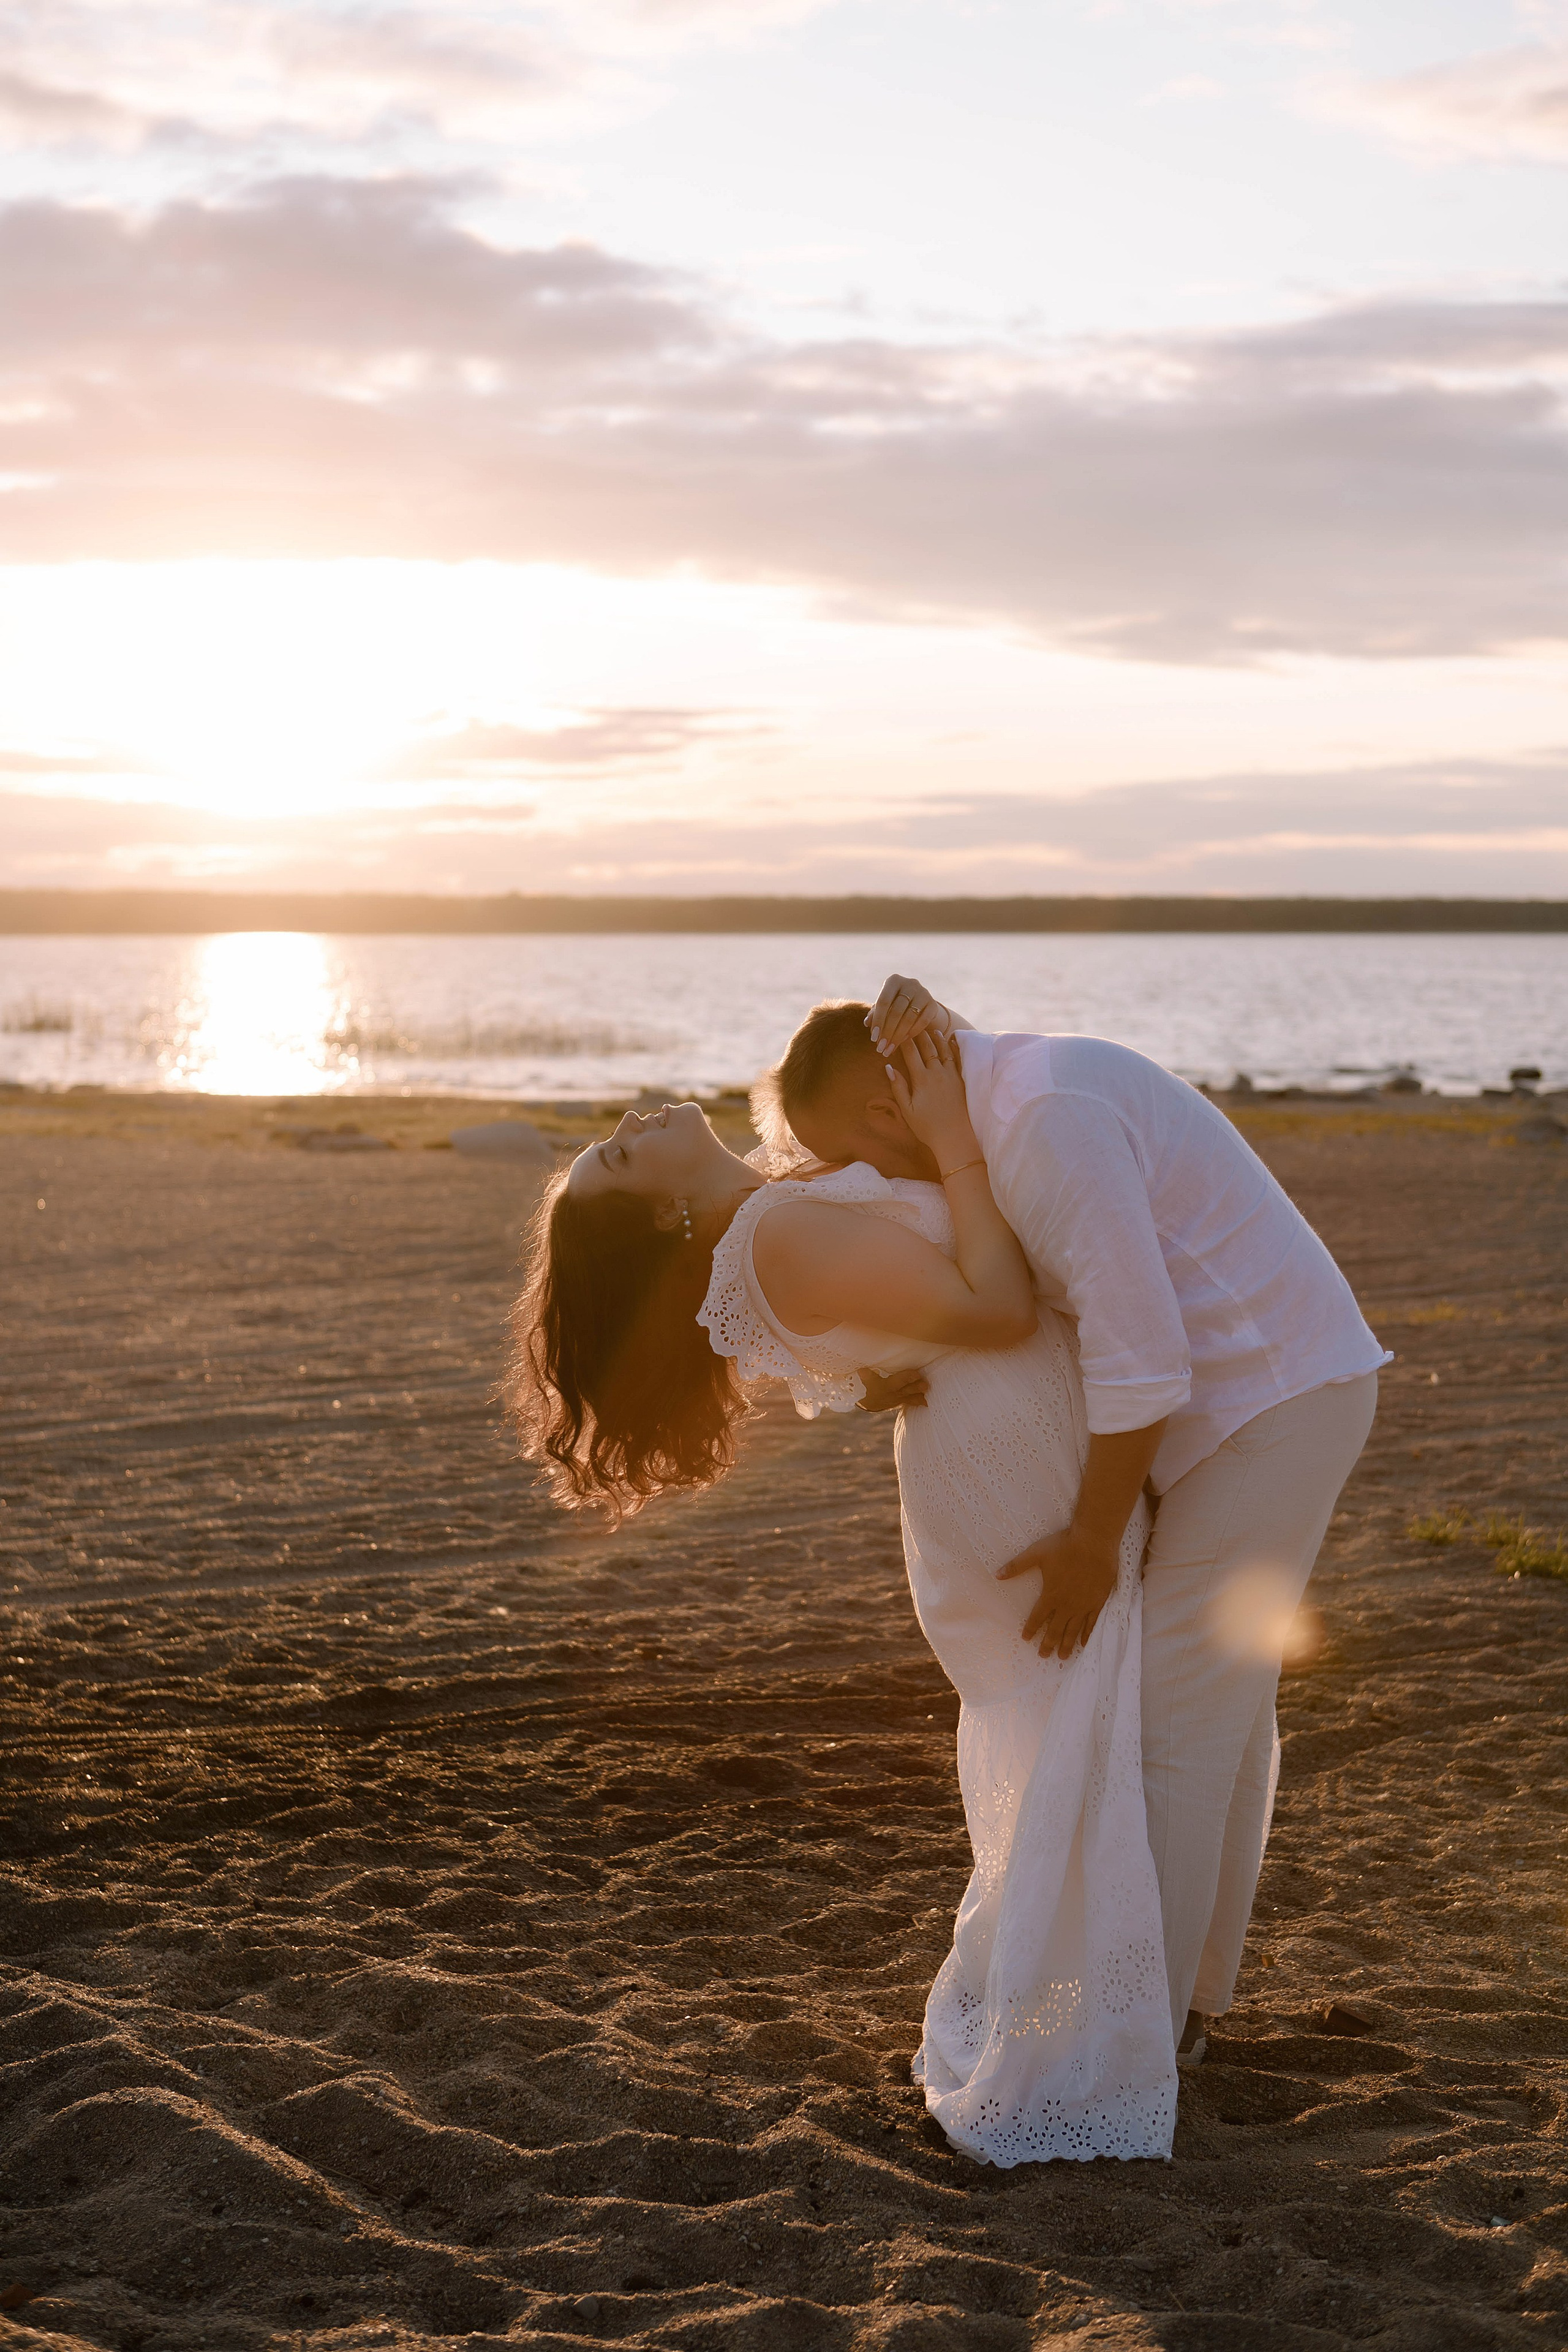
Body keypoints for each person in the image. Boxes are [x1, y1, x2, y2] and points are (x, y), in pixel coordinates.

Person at [506, 1038, 1178, 2166]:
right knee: (1081, 1720)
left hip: (990, 1447)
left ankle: (1107, 1998)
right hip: (1012, 1465)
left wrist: (881, 1362)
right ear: (667, 1217)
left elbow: (879, 1316)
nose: (625, 1127)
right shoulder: (772, 1231)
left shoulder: (773, 1208)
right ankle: (1075, 2033)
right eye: (618, 1163)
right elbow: (1002, 1309)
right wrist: (960, 1143)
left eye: (605, 1145)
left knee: (1080, 1722)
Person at [764, 978, 1389, 2067]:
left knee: (1173, 1731)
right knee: (1224, 1715)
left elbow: (1142, 1357)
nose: (869, 1180)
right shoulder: (996, 1092)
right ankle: (1187, 2008)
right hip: (1253, 1398)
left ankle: (1124, 2044)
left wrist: (1093, 1542)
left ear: (884, 1111)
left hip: (1274, 1404)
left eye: (860, 1157)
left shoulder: (1044, 1124)